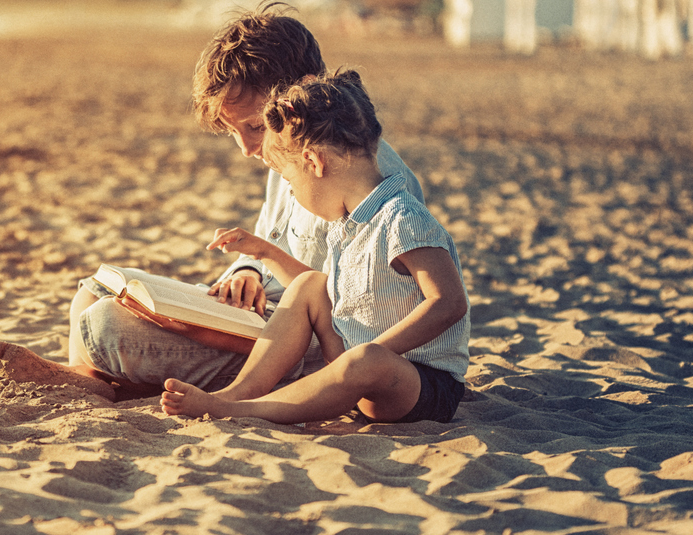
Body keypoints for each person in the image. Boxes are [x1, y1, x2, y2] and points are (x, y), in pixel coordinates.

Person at [0, 2, 422, 400]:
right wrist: (246, 269)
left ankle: (97, 378)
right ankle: (92, 376)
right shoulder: (285, 155)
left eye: (253, 127)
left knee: (105, 325)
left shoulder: (366, 178)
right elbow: (271, 240)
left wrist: (215, 326)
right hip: (259, 310)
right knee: (94, 290)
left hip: (295, 344)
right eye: (235, 133)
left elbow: (351, 311)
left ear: (301, 93)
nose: (248, 149)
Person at [160, 69, 470, 425]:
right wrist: (264, 252)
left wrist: (376, 351)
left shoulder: (402, 218)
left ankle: (241, 410)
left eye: (290, 182)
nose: (291, 192)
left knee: (365, 360)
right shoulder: (347, 224)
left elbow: (449, 302)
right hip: (355, 364)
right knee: (310, 286)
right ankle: (237, 393)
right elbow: (330, 294)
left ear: (314, 162)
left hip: (418, 382)